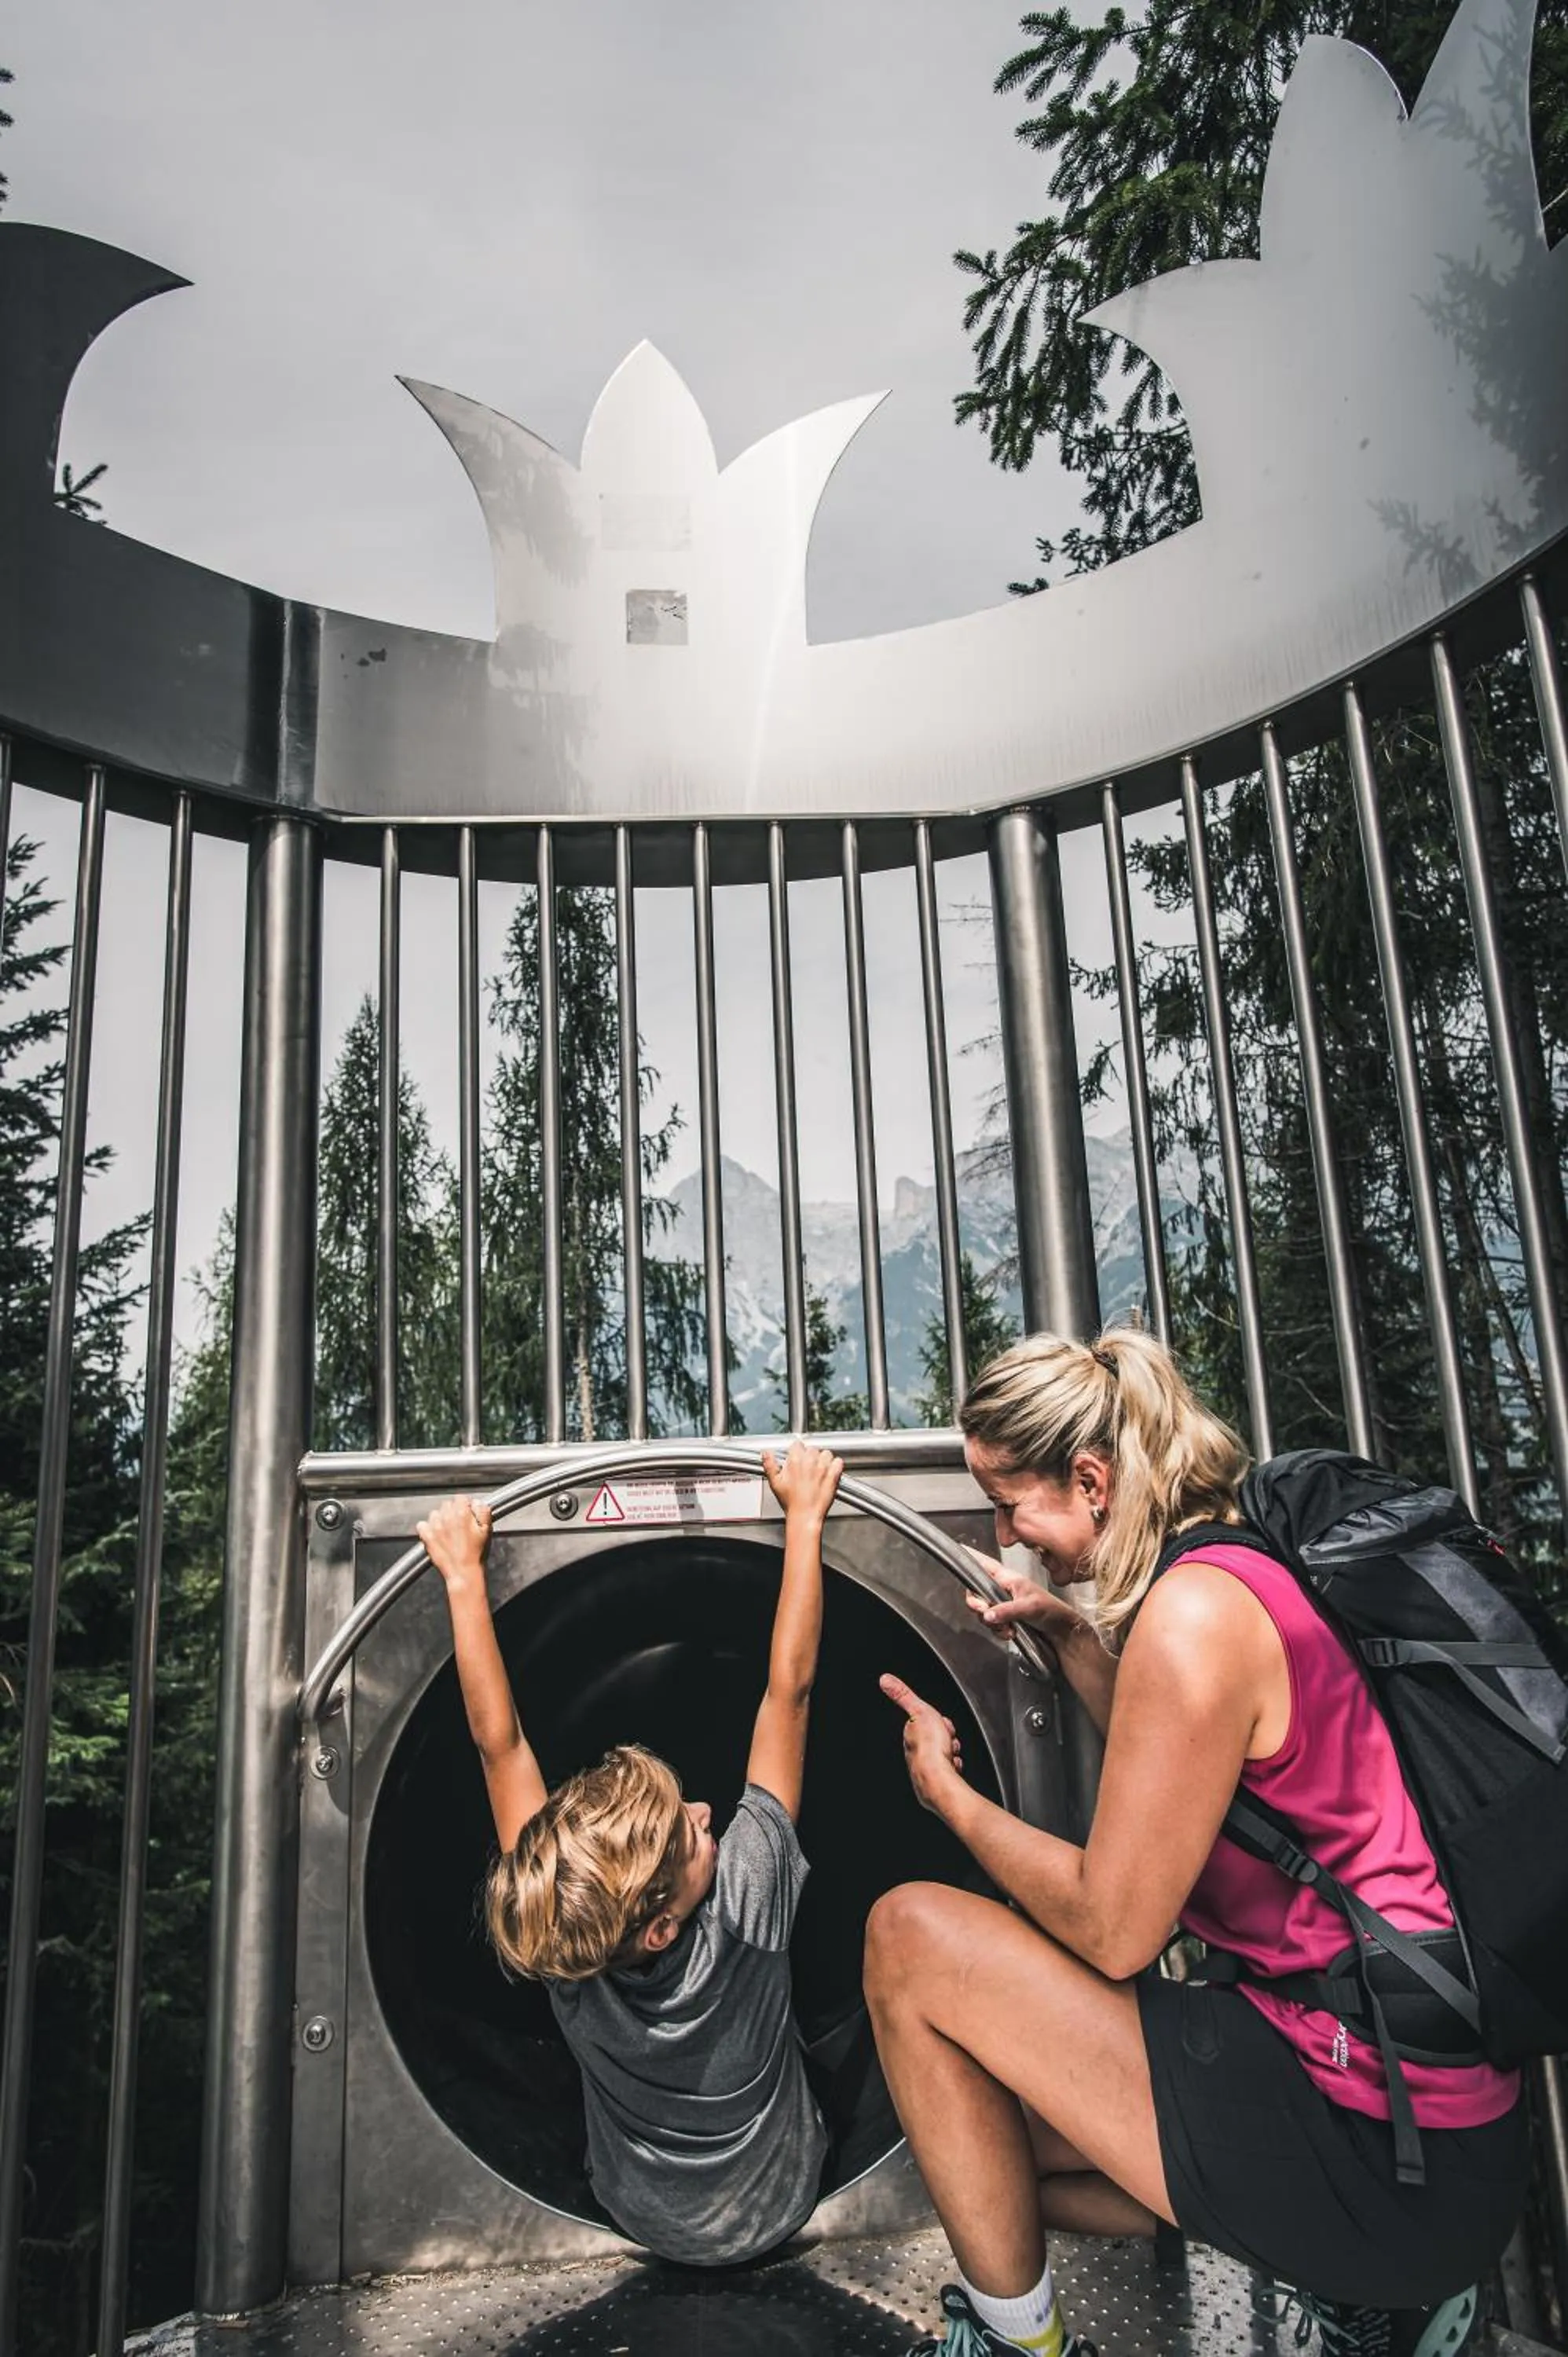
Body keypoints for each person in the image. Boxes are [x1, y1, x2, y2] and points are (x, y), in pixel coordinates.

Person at [865, 1328, 1528, 2357]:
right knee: (985, 2149)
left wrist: (949, 1800)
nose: (1008, 1535)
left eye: (1008, 1503)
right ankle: (1369, 2295)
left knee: (906, 1936)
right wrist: (1072, 1633)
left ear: (1091, 1482)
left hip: (1384, 2146)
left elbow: (1113, 1928)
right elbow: (1194, 1778)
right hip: (1427, 2124)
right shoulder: (1236, 1566)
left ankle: (1022, 2348)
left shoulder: (1192, 1619)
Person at [417, 1439, 844, 2268]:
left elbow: (499, 1747)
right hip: (785, 2201)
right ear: (659, 1928)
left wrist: (463, 1579)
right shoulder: (748, 1899)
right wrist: (804, 1520)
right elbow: (788, 1692)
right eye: (692, 1835)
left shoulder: (566, 1945)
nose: (706, 1812)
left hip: (638, 2216)